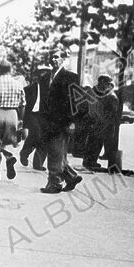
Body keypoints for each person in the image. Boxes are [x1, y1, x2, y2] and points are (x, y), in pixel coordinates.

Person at [39, 49, 84, 194]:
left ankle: (55, 183)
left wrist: (72, 121)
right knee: (58, 152)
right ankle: (71, 176)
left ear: (63, 59)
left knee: (54, 153)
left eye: (56, 57)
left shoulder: (71, 77)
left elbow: (75, 102)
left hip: (62, 121)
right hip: (48, 122)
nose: (53, 60)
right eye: (51, 57)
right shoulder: (46, 77)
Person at [0, 60, 25, 181]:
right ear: (10, 70)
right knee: (9, 140)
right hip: (13, 113)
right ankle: (9, 157)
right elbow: (23, 104)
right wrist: (20, 120)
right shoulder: (18, 84)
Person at [82, 74, 120, 172]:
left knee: (91, 142)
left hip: (92, 121)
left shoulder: (91, 92)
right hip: (102, 123)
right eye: (107, 83)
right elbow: (112, 113)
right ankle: (91, 162)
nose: (108, 85)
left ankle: (87, 161)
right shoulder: (110, 96)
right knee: (97, 143)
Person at [19, 65, 51, 171]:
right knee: (36, 134)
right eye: (43, 74)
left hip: (46, 117)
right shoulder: (29, 89)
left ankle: (38, 163)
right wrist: (22, 121)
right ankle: (25, 152)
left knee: (45, 138)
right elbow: (23, 106)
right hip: (33, 115)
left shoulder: (52, 90)